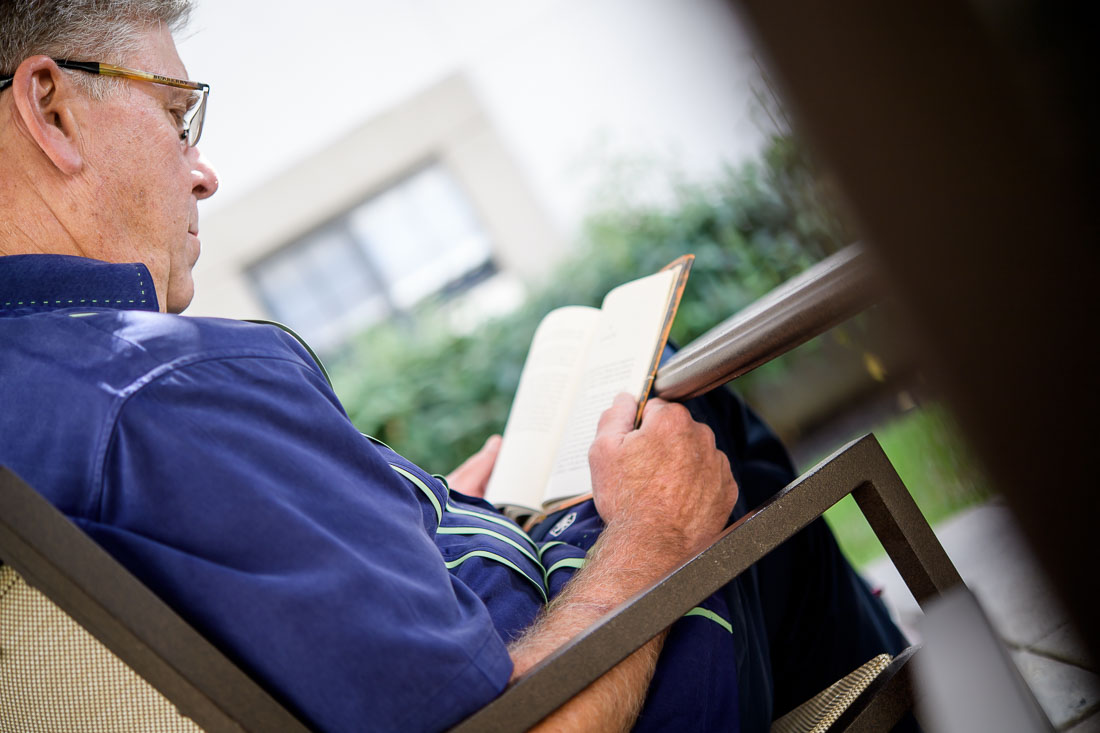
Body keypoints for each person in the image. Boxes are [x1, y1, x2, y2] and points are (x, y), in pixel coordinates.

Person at [0, 2, 908, 731]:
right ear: (51, 107)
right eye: (176, 116)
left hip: (510, 632)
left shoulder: (39, 400)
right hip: (604, 686)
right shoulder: (161, 389)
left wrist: (411, 514)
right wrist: (654, 534)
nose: (203, 173)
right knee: (683, 414)